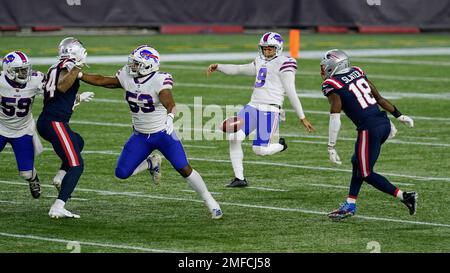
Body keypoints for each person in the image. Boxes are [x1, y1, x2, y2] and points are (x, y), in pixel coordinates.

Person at [79, 45, 223, 220]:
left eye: (136, 63)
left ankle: (210, 201)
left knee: (184, 168)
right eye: (132, 62)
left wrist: (170, 116)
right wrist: (79, 75)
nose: (132, 66)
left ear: (149, 65)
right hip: (140, 136)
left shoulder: (159, 80)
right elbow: (104, 80)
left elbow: (169, 102)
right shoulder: (127, 75)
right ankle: (151, 163)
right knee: (122, 173)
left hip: (162, 134)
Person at [320, 49, 418, 221]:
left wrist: (331, 146)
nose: (322, 71)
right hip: (384, 124)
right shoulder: (357, 71)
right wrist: (399, 115)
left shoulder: (332, 84)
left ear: (334, 66)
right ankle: (350, 204)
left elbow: (335, 117)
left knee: (365, 172)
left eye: (325, 67)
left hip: (369, 129)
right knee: (356, 161)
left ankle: (405, 196)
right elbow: (379, 98)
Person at [207, 32, 315, 187]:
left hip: (270, 110)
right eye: (265, 48)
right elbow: (240, 69)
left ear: (278, 48)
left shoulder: (285, 63)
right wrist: (220, 67)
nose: (267, 50)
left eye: (271, 48)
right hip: (252, 106)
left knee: (259, 150)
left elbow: (291, 91)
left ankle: (281, 145)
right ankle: (239, 178)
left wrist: (302, 116)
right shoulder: (259, 60)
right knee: (234, 138)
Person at [37, 37, 94, 219]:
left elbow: (56, 95)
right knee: (77, 165)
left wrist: (76, 99)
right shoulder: (69, 64)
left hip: (47, 121)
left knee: (78, 141)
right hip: (55, 123)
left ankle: (61, 176)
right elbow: (61, 87)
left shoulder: (54, 66)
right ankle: (58, 205)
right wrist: (77, 66)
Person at [0, 51, 44, 199]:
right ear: (9, 70)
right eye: (20, 70)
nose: (25, 73)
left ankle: (33, 178)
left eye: (26, 69)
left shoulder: (36, 79)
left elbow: (54, 92)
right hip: (0, 127)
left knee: (26, 173)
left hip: (22, 130)